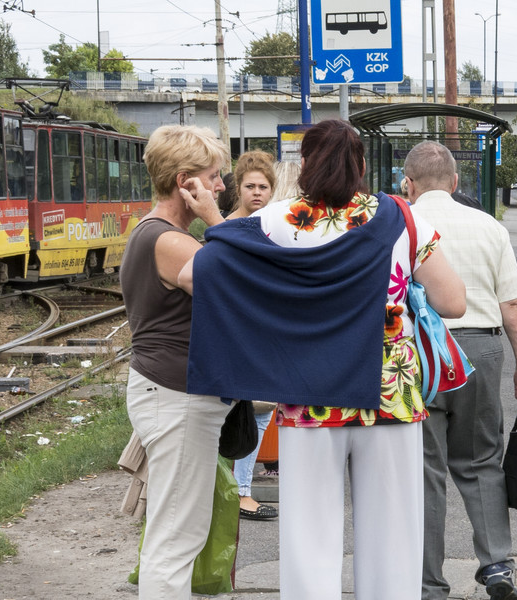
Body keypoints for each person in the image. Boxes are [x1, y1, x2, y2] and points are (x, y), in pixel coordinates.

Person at [183, 119, 466, 599]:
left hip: (308, 398)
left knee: (308, 538)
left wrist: (214, 215)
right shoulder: (402, 216)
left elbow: (202, 270)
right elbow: (454, 302)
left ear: (306, 166)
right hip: (388, 396)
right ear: (360, 166)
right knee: (393, 537)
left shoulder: (275, 220)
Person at [407, 141, 517, 600]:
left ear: (409, 183)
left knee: (426, 470)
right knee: (481, 460)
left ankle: (428, 584)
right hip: (480, 349)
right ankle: (497, 566)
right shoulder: (489, 226)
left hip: (419, 354)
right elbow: (513, 303)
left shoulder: (400, 226)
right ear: (456, 182)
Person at [121, 124, 228, 600]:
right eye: (214, 177)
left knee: (177, 530)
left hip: (169, 391)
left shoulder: (154, 233)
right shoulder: (170, 242)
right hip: (176, 396)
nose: (221, 186)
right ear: (187, 182)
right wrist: (216, 219)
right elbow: (238, 286)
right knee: (176, 538)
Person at [222, 150, 279, 521]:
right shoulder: (229, 227)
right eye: (250, 186)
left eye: (263, 186)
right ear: (237, 189)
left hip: (264, 334)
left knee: (254, 413)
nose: (256, 192)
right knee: (248, 414)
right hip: (240, 334)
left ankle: (234, 489)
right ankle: (239, 492)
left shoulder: (269, 226)